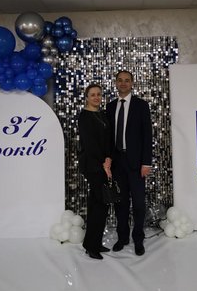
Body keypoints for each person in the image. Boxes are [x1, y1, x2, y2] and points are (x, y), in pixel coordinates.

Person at [106, 70, 152, 256]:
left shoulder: (141, 105)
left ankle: (138, 239)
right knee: (121, 203)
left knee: (139, 203)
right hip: (117, 162)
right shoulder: (110, 107)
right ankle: (123, 237)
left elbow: (147, 135)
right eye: (120, 80)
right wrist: (108, 159)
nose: (123, 83)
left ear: (132, 83)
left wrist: (146, 162)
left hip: (136, 162)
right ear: (116, 83)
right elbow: (108, 137)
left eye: (127, 80)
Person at [77, 83, 113, 260]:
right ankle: (91, 246)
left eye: (99, 94)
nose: (96, 97)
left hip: (104, 164)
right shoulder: (84, 116)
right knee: (98, 206)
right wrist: (103, 164)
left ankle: (94, 243)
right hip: (93, 165)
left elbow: (108, 140)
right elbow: (90, 145)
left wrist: (109, 158)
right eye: (92, 95)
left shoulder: (102, 114)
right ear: (87, 97)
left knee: (101, 205)